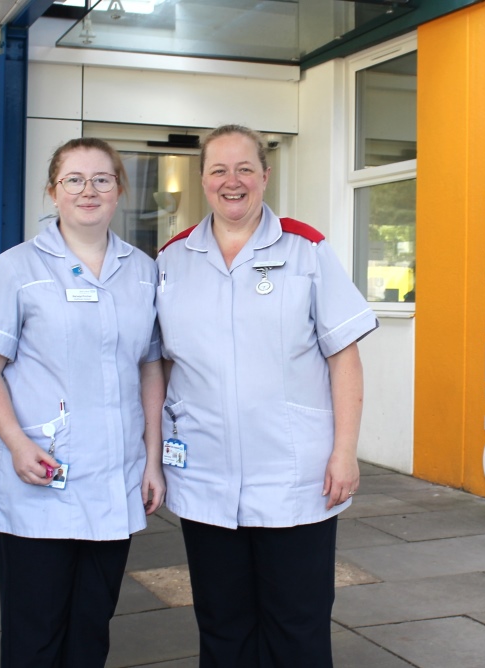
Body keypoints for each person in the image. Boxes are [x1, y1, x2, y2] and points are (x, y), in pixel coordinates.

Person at [155, 125, 378, 666]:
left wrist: (345, 451)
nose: (233, 182)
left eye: (245, 169)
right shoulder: (171, 260)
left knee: (296, 626)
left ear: (264, 175)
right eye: (219, 170)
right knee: (222, 624)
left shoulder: (306, 249)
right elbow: (158, 364)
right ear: (203, 179)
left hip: (293, 477)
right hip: (206, 474)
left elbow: (343, 355)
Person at [0, 137, 166, 667]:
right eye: (74, 179)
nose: (88, 190)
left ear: (119, 189)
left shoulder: (143, 270)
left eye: (102, 178)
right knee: (35, 634)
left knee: (91, 628)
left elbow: (149, 366)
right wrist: (15, 444)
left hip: (113, 476)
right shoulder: (18, 267)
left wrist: (152, 458)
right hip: (39, 474)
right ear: (53, 191)